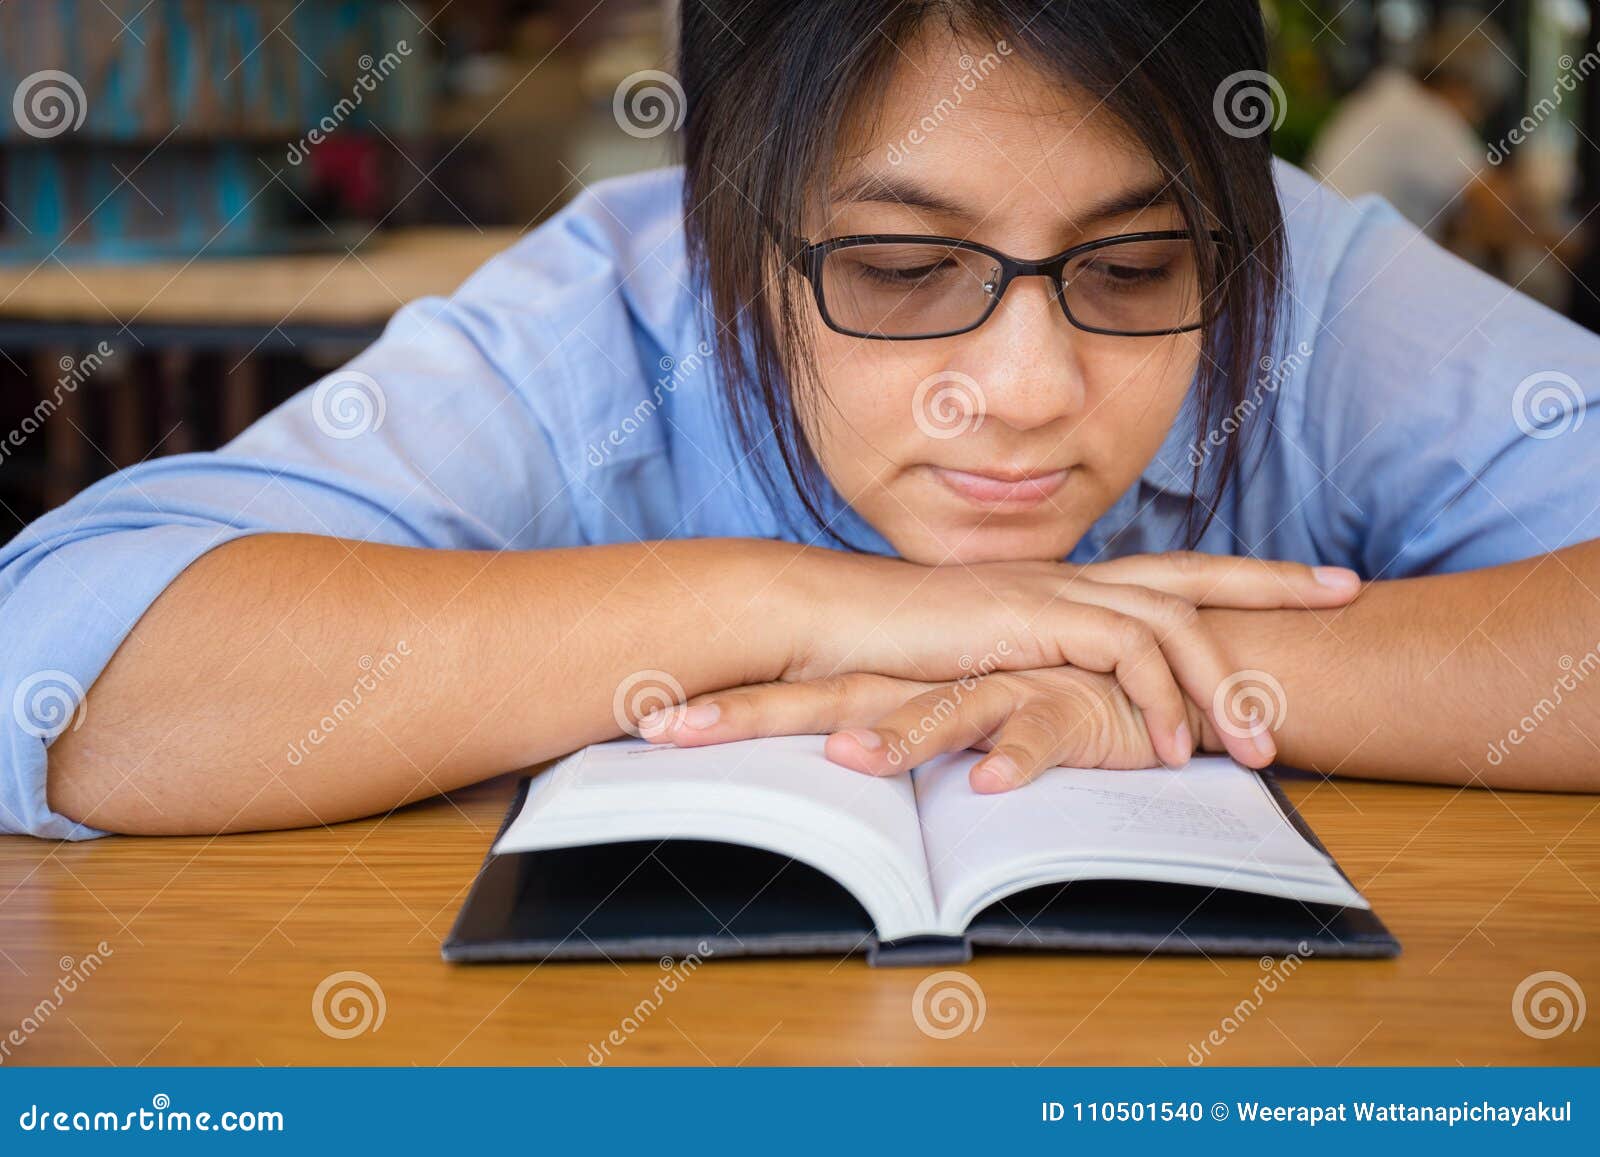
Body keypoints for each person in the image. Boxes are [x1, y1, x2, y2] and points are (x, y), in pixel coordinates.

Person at [3, 0, 1597, 840]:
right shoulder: (602, 318)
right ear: (721, 233)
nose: (1031, 387)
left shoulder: (1303, 278)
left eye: (1131, 266)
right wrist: (797, 605)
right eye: (903, 270)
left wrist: (1167, 666)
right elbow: (56, 667)